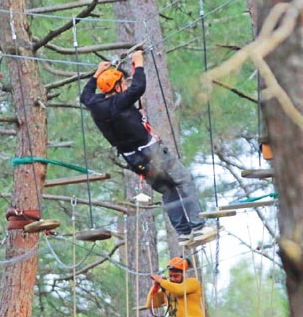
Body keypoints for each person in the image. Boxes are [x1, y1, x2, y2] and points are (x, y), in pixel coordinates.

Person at [79, 50, 215, 246]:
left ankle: (184, 233)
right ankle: (198, 227)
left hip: (134, 160)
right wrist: (139, 63)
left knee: (168, 190)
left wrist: (96, 74)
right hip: (152, 152)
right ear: (117, 87)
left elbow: (85, 95)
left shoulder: (96, 105)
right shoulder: (119, 102)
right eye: (122, 84)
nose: (125, 86)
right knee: (184, 180)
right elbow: (138, 87)